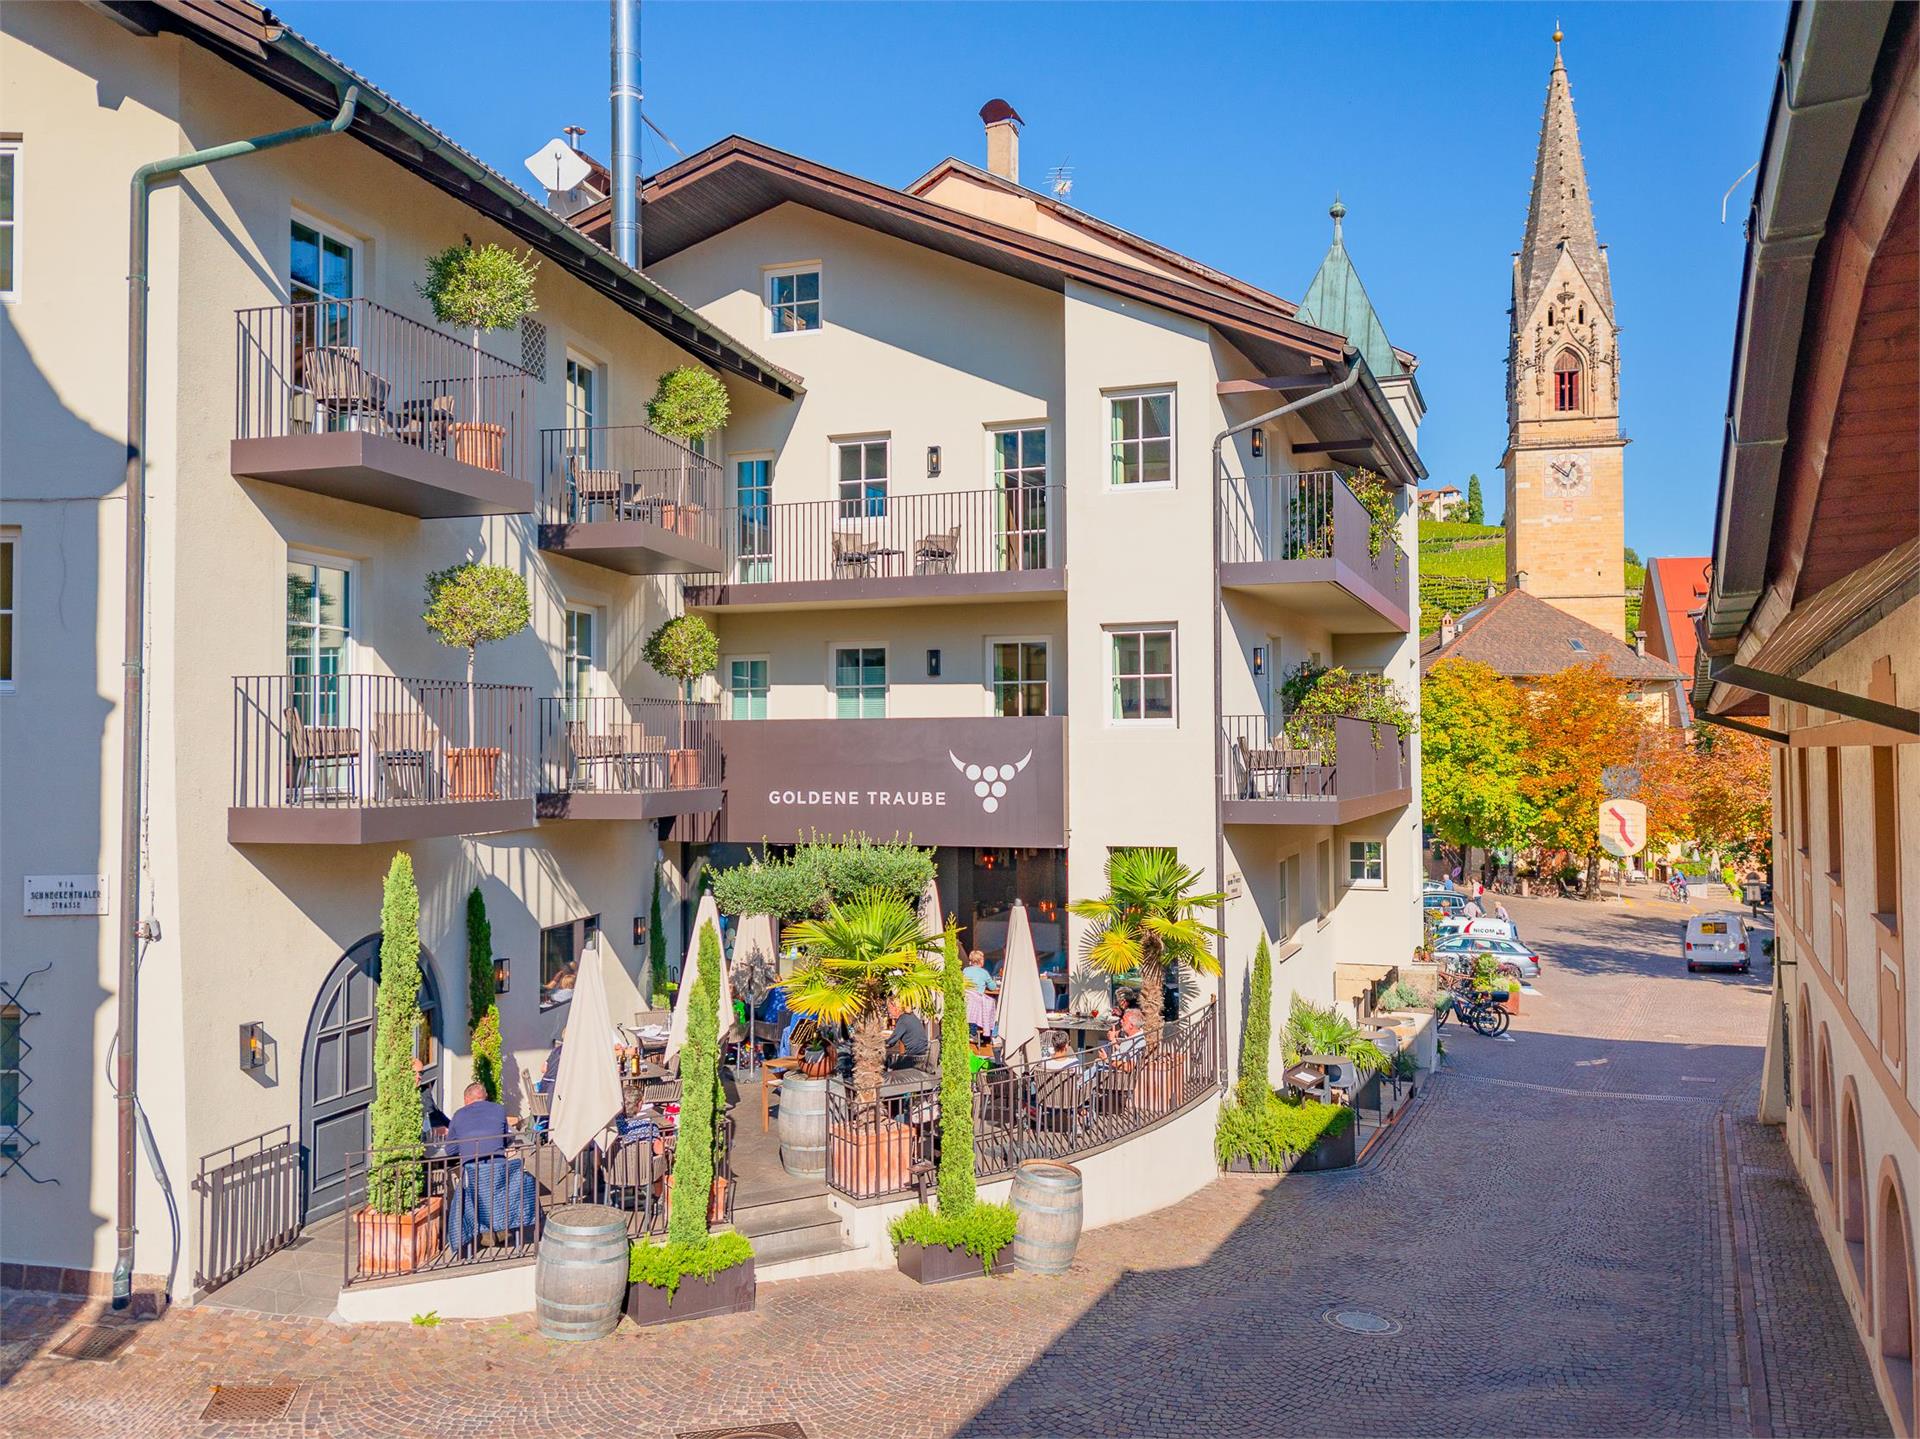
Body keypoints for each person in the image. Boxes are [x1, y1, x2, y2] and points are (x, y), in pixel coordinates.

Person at [441, 1082, 509, 1161]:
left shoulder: (459, 1115)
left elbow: (450, 1150)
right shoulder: (499, 1109)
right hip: (497, 1167)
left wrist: (465, 1146)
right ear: (485, 1096)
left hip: (471, 1168)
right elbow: (505, 1138)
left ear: (466, 1098)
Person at [883, 997, 928, 1070]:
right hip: (921, 1055)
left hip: (913, 1058)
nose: (888, 1011)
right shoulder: (910, 1016)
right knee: (893, 1058)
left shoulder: (903, 1020)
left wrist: (877, 1045)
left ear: (895, 1007)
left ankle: (886, 1081)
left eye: (889, 1008)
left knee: (886, 1060)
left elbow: (891, 1042)